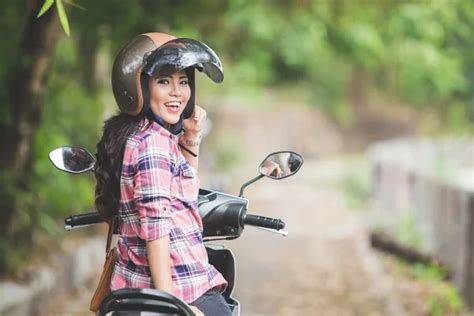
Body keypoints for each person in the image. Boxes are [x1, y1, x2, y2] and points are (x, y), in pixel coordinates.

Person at [94, 33, 231, 316]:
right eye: (164, 81)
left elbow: (185, 194)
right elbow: (156, 230)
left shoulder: (145, 136)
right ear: (140, 87)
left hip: (138, 285)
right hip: (181, 288)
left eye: (183, 82)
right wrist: (172, 304)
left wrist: (192, 137)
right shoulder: (153, 146)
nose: (177, 92)